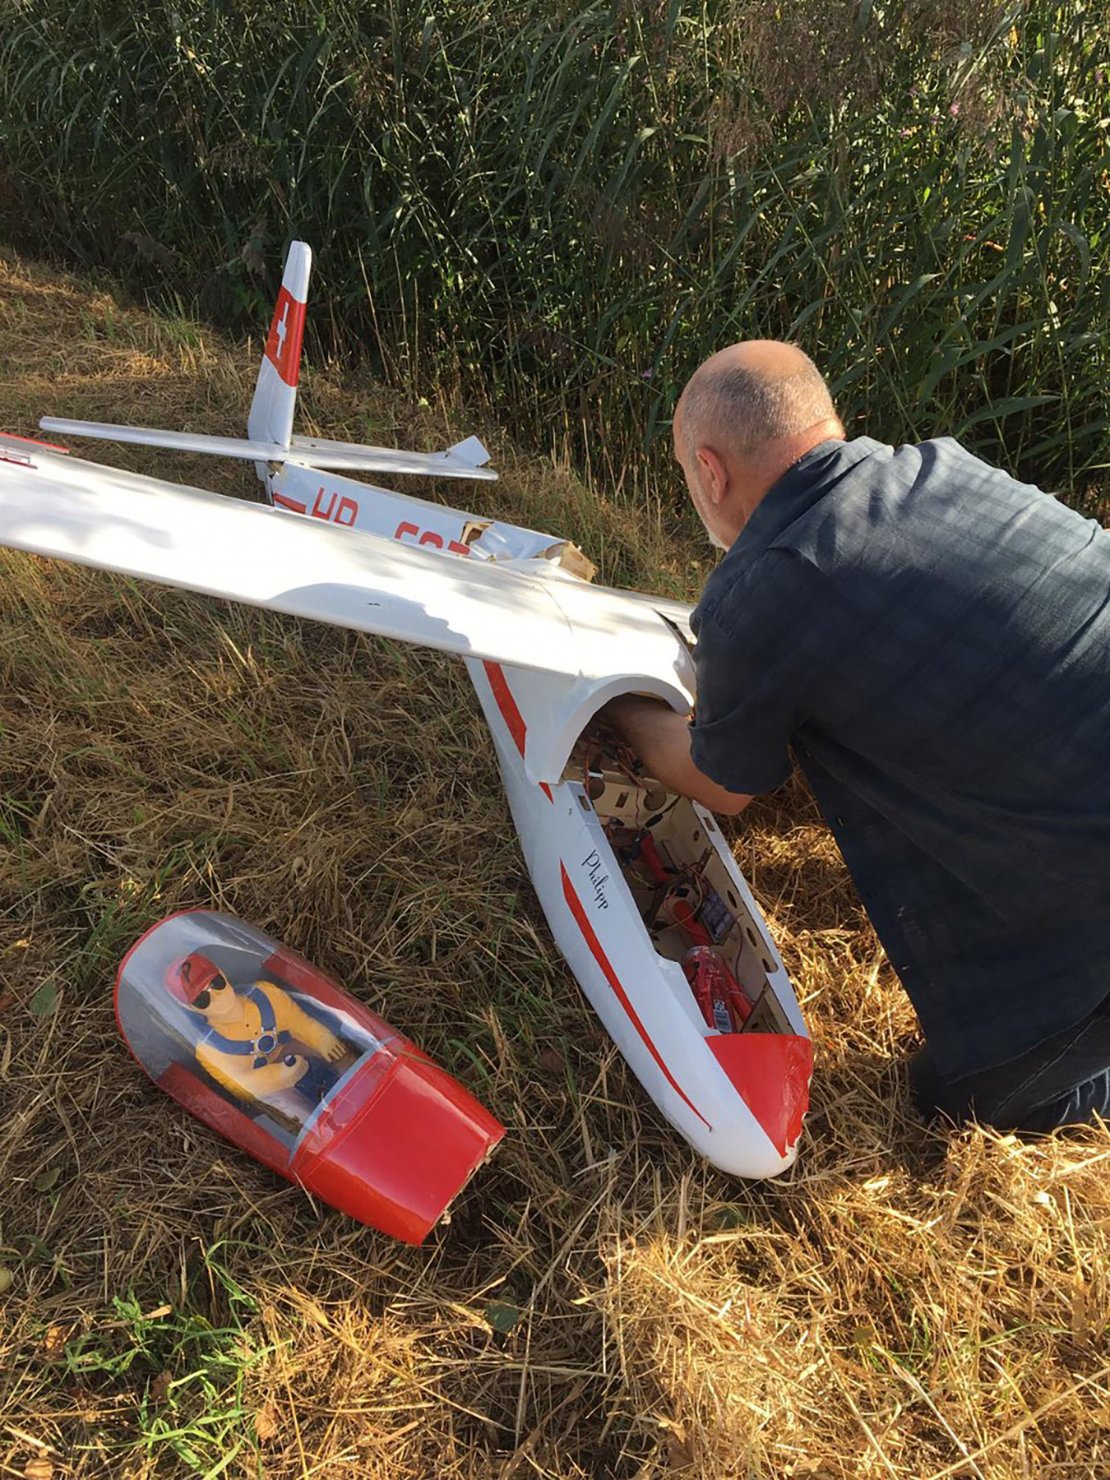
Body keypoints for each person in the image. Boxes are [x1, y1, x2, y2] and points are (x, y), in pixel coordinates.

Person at [606, 340, 1110, 1133]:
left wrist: (622, 708)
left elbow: (724, 786)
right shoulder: (947, 469)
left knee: (959, 1101)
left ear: (709, 470)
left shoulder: (764, 587)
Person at [165, 952, 355, 1121]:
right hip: (270, 1084)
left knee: (338, 1053)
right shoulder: (209, 1049)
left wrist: (322, 1039)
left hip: (292, 1046)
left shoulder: (265, 994)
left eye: (216, 983)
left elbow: (298, 1021)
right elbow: (242, 1084)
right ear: (191, 1007)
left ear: (222, 973)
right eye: (202, 999)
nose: (216, 997)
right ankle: (327, 1131)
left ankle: (362, 1084)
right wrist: (280, 1076)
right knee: (294, 1111)